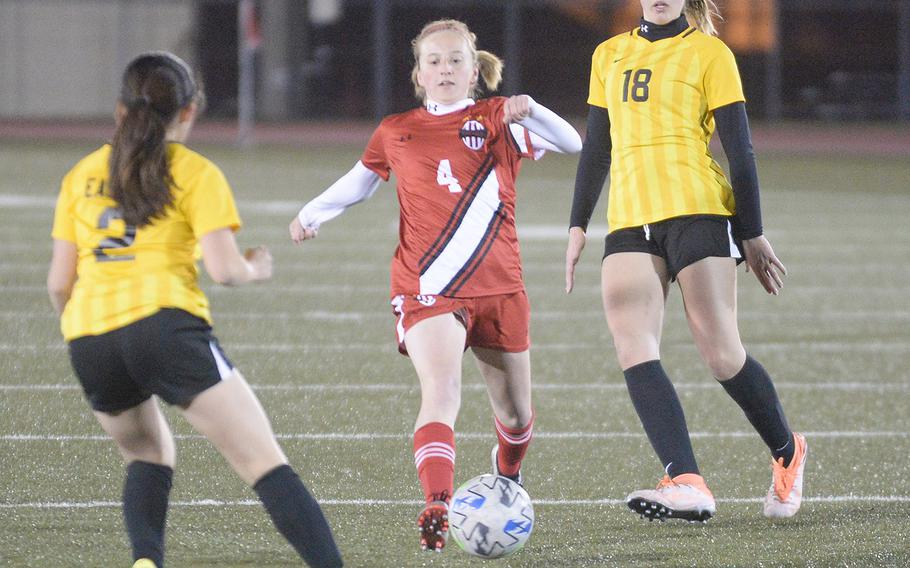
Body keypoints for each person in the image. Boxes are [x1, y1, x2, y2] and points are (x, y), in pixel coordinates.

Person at [289, 19, 581, 552]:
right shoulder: (396, 128)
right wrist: (312, 213)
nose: (444, 69)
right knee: (441, 392)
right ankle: (438, 503)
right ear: (417, 74)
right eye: (433, 61)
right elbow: (360, 182)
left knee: (516, 418)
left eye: (454, 60)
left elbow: (574, 141)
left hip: (500, 287)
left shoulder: (497, 119)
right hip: (427, 288)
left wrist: (530, 107)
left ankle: (507, 478)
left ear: (474, 71)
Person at [47, 52, 343, 568]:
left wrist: (85, 330)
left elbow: (58, 284)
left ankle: (146, 561)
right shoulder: (193, 171)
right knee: (263, 462)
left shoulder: (82, 174)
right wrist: (258, 268)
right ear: (189, 112)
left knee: (147, 455)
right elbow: (225, 270)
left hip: (89, 337)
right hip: (164, 325)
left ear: (120, 112)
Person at [565, 0, 807, 523]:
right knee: (634, 347)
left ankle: (788, 451)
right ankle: (686, 480)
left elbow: (740, 150)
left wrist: (752, 232)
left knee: (722, 354)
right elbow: (597, 147)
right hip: (630, 218)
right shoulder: (608, 54)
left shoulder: (710, 52)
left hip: (697, 209)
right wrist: (577, 225)